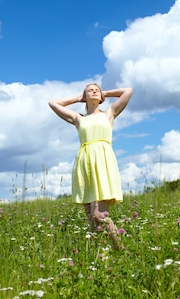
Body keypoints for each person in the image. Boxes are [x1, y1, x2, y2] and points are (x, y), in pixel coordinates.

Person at [49, 84, 132, 249]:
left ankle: (121, 249)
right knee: (91, 217)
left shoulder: (109, 114)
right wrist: (77, 98)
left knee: (99, 214)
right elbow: (53, 103)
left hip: (103, 163)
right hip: (84, 164)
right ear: (84, 96)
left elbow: (127, 91)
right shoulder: (79, 118)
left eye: (97, 89)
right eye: (90, 90)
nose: (94, 91)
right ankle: (98, 256)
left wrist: (105, 93)